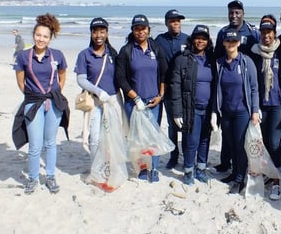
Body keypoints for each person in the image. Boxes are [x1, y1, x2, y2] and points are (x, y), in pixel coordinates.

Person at [12, 13, 69, 195]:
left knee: (51, 142)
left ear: (50, 38)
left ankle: (50, 176)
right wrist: (35, 96)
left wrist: (52, 94)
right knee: (35, 144)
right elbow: (21, 82)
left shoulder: (57, 55)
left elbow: (62, 76)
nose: (41, 39)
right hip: (33, 103)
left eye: (45, 36)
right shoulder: (23, 56)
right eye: (38, 35)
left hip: (53, 103)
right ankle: (33, 178)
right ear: (33, 35)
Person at [115, 14, 167, 182]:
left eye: (143, 28)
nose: (140, 32)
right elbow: (120, 78)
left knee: (153, 137)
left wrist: (160, 95)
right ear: (133, 31)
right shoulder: (127, 51)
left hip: (154, 103)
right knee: (137, 139)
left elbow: (164, 73)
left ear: (148, 30)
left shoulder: (156, 48)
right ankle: (143, 168)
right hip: (134, 104)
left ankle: (155, 169)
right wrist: (135, 97)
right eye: (137, 29)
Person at [214, 0, 260, 173]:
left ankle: (242, 169)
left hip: (247, 86)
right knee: (227, 135)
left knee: (242, 136)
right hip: (228, 88)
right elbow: (217, 59)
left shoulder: (252, 33)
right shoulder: (223, 33)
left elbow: (260, 55)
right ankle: (226, 163)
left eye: (237, 12)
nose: (234, 15)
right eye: (231, 12)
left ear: (243, 13)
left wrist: (255, 105)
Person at [169, 25, 217, 185]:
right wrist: (177, 113)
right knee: (191, 141)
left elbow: (217, 85)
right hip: (191, 109)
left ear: (208, 41)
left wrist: (215, 111)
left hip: (208, 109)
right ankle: (188, 171)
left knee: (204, 139)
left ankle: (201, 169)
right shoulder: (182, 59)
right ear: (192, 39)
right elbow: (175, 86)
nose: (200, 41)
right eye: (198, 38)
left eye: (204, 38)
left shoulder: (212, 59)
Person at [250, 15, 281, 200]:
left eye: (269, 32)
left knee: (274, 143)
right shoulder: (254, 53)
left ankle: (276, 181)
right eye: (263, 32)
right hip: (260, 106)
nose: (266, 35)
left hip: (277, 106)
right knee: (263, 142)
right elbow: (251, 83)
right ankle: (266, 172)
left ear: (275, 34)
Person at [74, 17, 119, 161]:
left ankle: (109, 167)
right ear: (91, 33)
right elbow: (81, 79)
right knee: (94, 136)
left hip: (112, 101)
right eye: (95, 32)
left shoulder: (113, 53)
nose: (98, 35)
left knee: (112, 136)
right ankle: (96, 168)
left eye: (102, 31)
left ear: (107, 33)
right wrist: (98, 91)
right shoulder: (84, 55)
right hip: (94, 102)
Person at [155, 9, 189, 169]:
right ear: (166, 22)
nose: (176, 24)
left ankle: (187, 155)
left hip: (185, 89)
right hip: (167, 87)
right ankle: (174, 156)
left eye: (178, 21)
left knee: (186, 123)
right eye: (173, 21)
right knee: (172, 124)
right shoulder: (159, 40)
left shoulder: (188, 40)